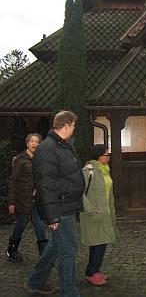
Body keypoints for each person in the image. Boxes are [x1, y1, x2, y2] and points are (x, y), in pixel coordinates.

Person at [25, 110, 85, 296]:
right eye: (74, 125)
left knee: (56, 245)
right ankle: (69, 293)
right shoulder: (47, 149)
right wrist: (52, 216)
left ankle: (35, 281)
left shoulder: (63, 145)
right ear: (66, 125)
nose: (74, 129)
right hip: (60, 208)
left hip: (66, 204)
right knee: (68, 250)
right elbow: (45, 186)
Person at [80, 145, 118, 286]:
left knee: (102, 243)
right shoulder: (88, 170)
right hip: (93, 214)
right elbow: (79, 192)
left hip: (104, 213)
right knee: (96, 243)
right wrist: (90, 209)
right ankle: (90, 273)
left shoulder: (105, 171)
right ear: (99, 156)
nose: (108, 157)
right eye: (106, 154)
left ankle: (96, 270)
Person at [6, 133, 48, 262]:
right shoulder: (20, 160)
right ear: (27, 143)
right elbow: (13, 181)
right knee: (22, 224)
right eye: (32, 142)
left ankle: (44, 255)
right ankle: (12, 249)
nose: (34, 144)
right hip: (23, 199)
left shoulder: (42, 159)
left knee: (40, 225)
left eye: (37, 142)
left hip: (37, 200)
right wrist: (11, 202)